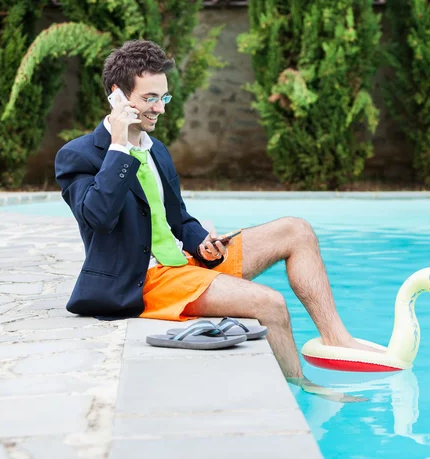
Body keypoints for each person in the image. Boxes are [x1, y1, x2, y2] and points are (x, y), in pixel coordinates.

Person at [55, 40, 373, 399]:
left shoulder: (156, 149)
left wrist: (200, 242)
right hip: (141, 280)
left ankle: (336, 338)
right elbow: (98, 215)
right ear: (117, 95)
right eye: (149, 99)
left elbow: (180, 219)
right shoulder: (79, 155)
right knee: (270, 303)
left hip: (184, 265)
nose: (159, 108)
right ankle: (303, 387)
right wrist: (119, 145)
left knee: (296, 229)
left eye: (164, 98)